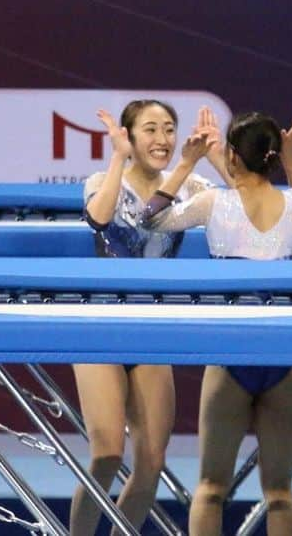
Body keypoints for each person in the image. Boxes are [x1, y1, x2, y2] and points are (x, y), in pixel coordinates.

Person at [140, 110, 292, 536]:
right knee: (279, 492)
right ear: (273, 157)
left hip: (228, 360)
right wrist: (291, 159)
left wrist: (189, 162)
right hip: (283, 359)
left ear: (235, 157)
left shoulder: (213, 203)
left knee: (211, 488)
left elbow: (151, 218)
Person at [71, 101, 227, 535]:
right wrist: (118, 157)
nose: (162, 139)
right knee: (105, 455)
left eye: (169, 129)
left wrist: (216, 161)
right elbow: (102, 220)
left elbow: (246, 208)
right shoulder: (102, 181)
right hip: (100, 328)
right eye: (151, 129)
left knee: (152, 464)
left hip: (151, 330)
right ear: (129, 135)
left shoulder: (192, 184)